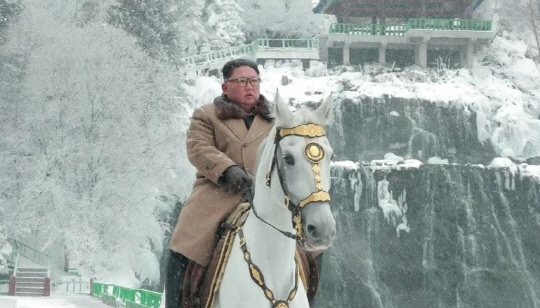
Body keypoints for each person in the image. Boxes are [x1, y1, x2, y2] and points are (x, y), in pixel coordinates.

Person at [165, 58, 274, 308]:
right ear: (225, 87)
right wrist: (227, 169)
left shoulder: (276, 119)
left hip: (266, 196)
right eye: (242, 81)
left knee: (312, 245)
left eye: (254, 81)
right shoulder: (206, 115)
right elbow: (198, 147)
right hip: (217, 193)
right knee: (183, 248)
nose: (250, 86)